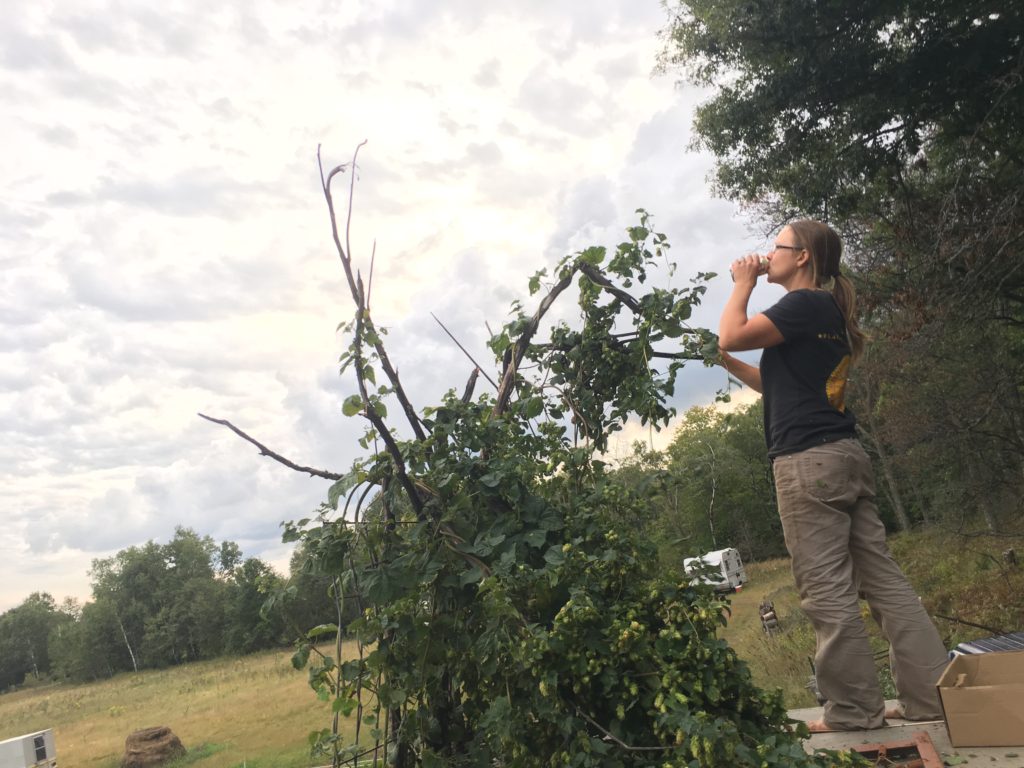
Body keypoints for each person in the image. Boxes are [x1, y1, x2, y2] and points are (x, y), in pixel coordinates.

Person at [716, 219, 949, 732]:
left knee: (826, 591)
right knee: (884, 583)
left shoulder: (802, 304)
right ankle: (932, 698)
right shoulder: (827, 313)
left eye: (776, 247)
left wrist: (741, 284)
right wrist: (731, 364)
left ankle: (853, 713)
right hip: (843, 456)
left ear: (801, 258)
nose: (766, 254)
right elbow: (781, 387)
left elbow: (732, 328)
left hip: (808, 465)